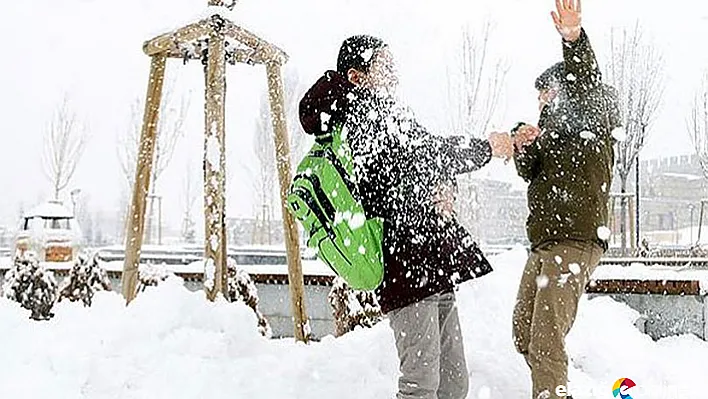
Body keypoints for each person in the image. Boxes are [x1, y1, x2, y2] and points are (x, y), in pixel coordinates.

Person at [299, 35, 514, 399]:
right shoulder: (360, 117)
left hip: (431, 258)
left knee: (453, 383)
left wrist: (444, 183)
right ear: (356, 76)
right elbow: (426, 154)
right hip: (404, 261)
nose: (394, 71)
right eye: (383, 63)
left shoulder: (388, 112)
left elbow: (420, 160)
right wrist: (486, 149)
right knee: (421, 383)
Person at [510, 1, 622, 398]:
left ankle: (551, 394)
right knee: (524, 332)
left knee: (545, 340)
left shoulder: (591, 116)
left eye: (546, 94)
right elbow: (528, 171)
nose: (540, 102)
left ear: (565, 90)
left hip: (575, 241)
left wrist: (573, 37)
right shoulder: (551, 134)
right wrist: (523, 141)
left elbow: (586, 79)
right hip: (545, 243)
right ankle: (555, 388)